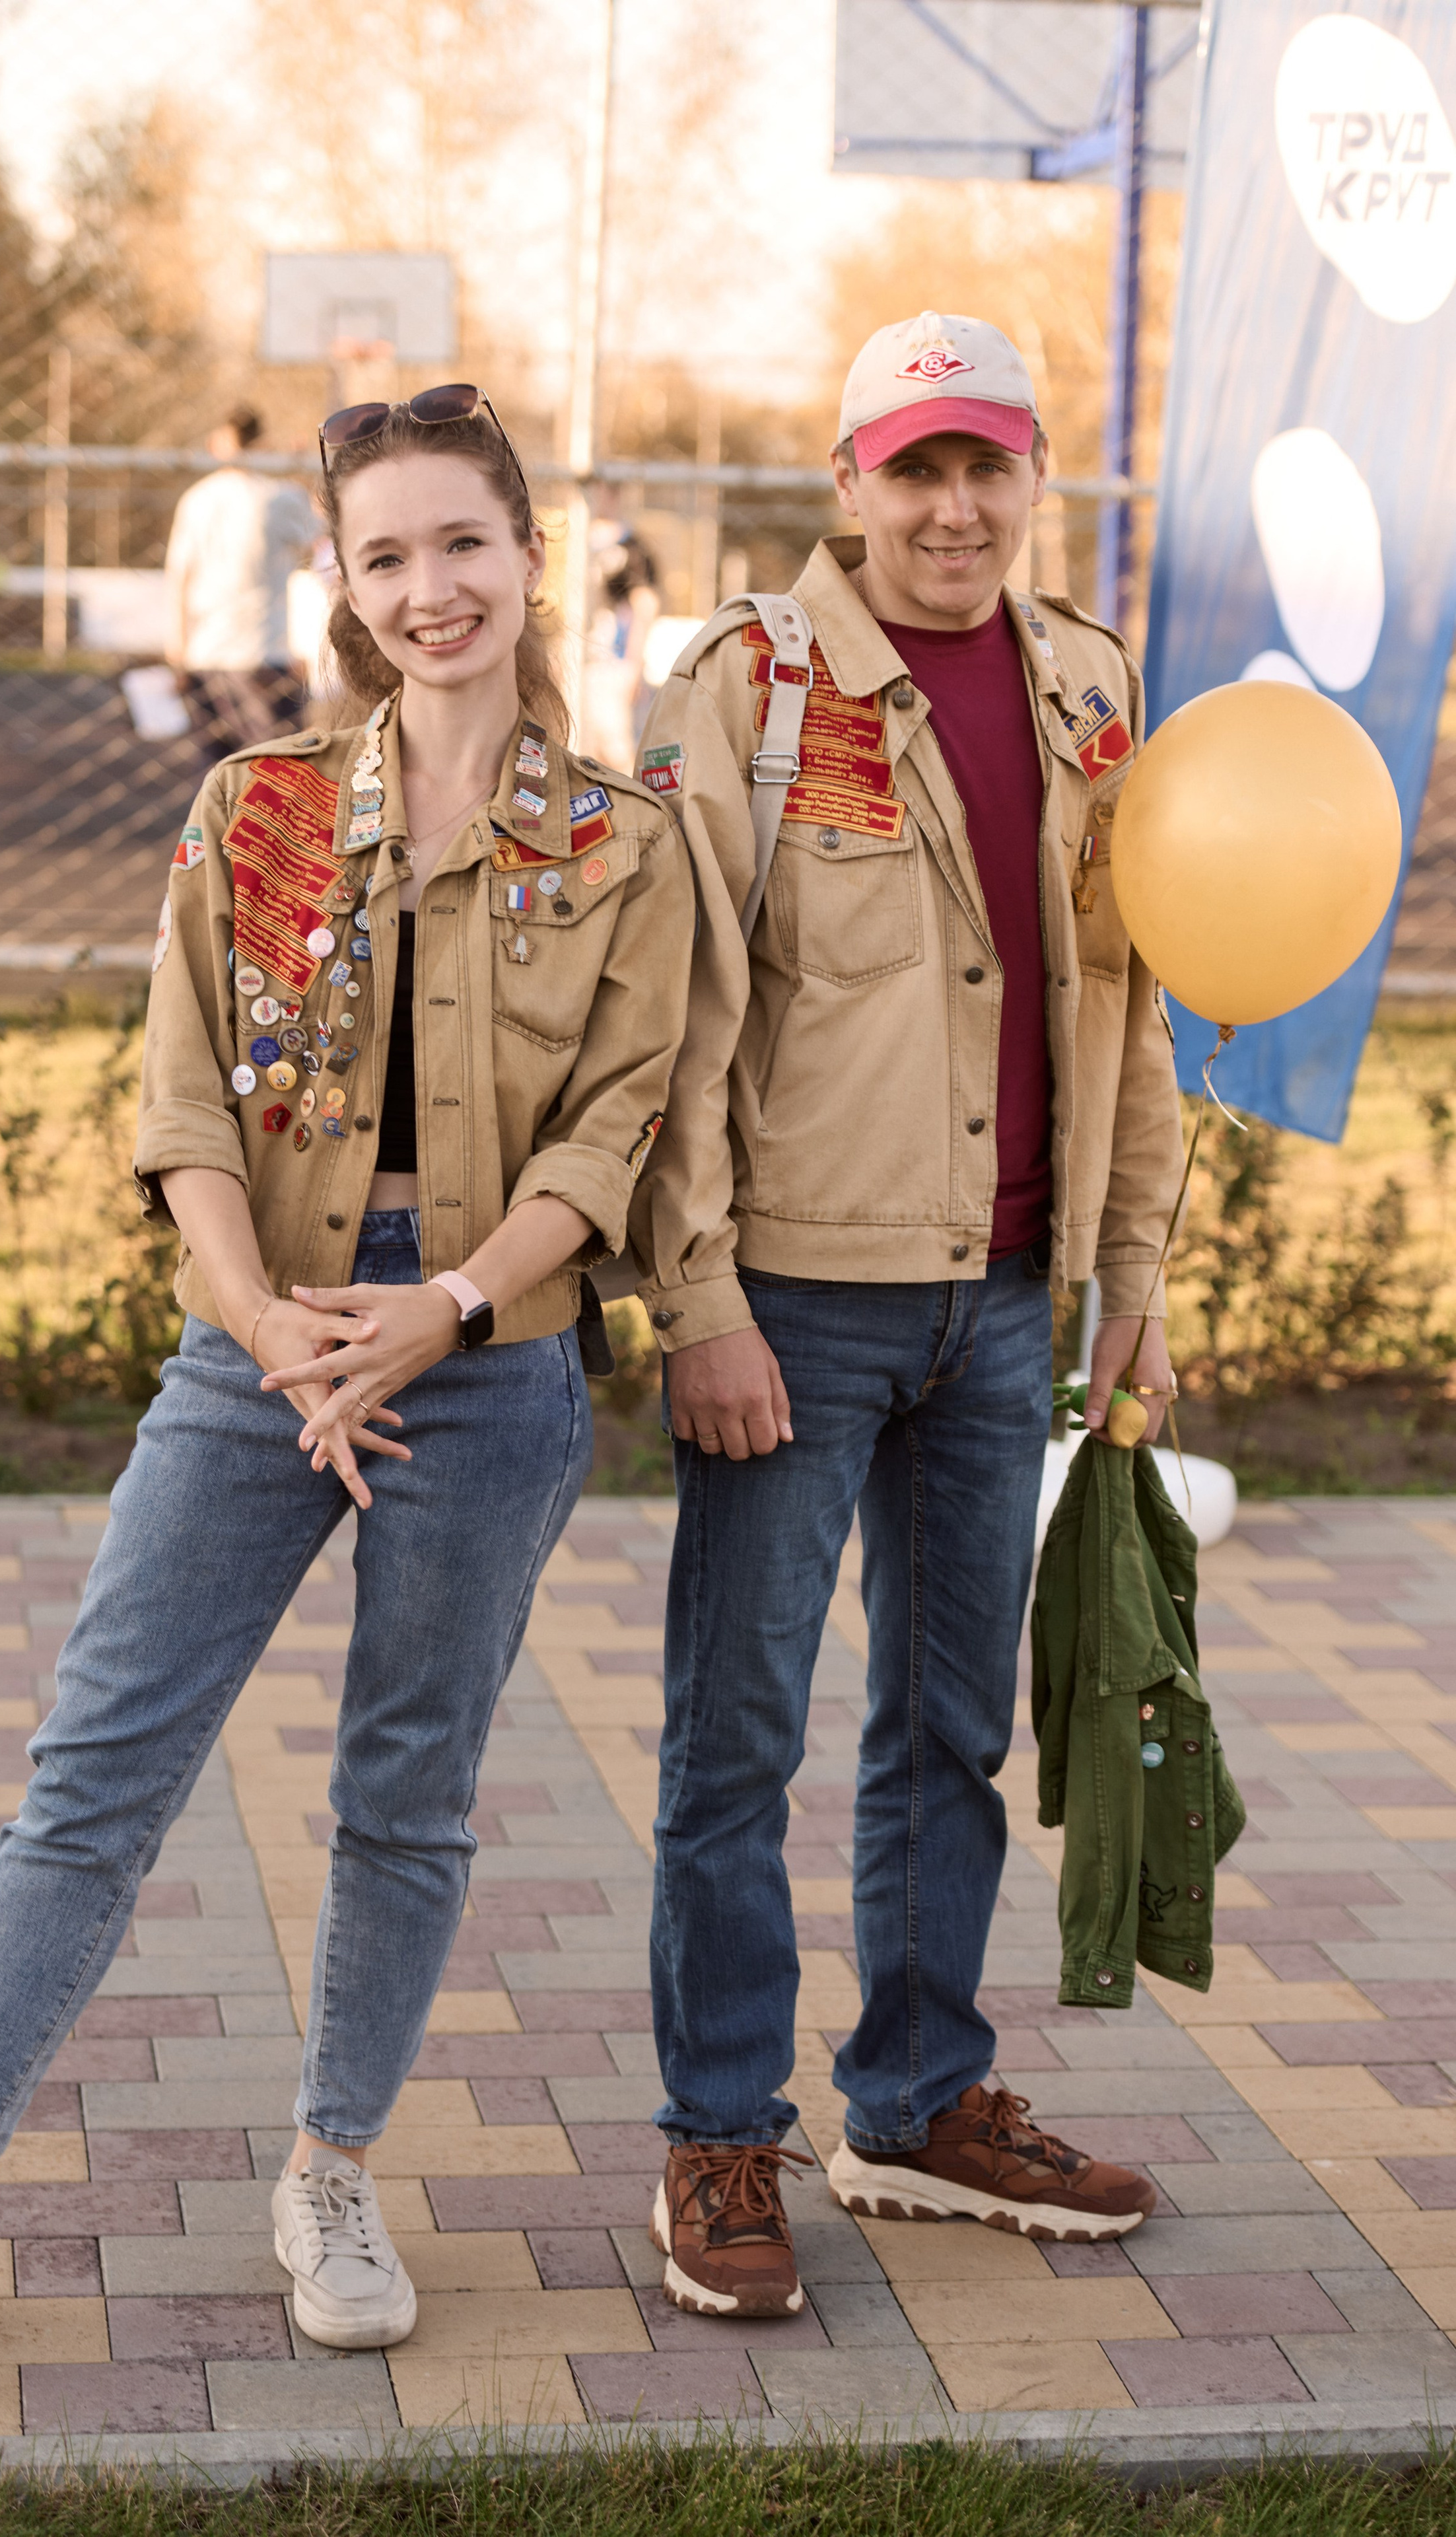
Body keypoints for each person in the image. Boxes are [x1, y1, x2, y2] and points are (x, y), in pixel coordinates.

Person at [0, 385, 693, 2380]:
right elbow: (184, 1100)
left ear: (527, 551)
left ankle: (332, 2168)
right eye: (384, 556)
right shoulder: (254, 808)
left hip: (488, 1357)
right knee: (95, 1769)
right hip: (252, 1341)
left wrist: (439, 1304)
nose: (429, 588)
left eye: (462, 542)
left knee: (404, 1789)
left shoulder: (622, 843)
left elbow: (610, 1139)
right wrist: (271, 1325)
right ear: (342, 589)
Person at [627, 312, 1187, 2318]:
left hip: (1007, 1308)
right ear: (846, 482)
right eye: (915, 466)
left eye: (989, 466)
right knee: (736, 1737)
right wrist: (691, 1295)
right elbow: (670, 1017)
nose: (954, 506)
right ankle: (718, 2127)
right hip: (790, 1298)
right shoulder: (750, 692)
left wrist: (1130, 1282)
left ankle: (917, 2092)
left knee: (945, 1727)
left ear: (1030, 479)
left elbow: (1138, 999)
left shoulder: (1088, 689)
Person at [166, 404, 320, 768]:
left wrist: (178, 651)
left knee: (217, 780)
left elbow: (179, 578)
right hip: (263, 654)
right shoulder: (279, 496)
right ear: (263, 443)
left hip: (207, 655)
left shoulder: (196, 498)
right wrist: (299, 470)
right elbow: (321, 548)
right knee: (277, 777)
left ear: (216, 443)